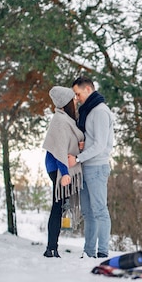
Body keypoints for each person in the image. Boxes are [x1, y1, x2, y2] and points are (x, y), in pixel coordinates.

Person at [68, 76, 115, 258]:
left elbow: (101, 145)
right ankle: (89, 253)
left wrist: (78, 158)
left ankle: (103, 252)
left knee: (100, 211)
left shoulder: (101, 111)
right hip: (86, 167)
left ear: (88, 89)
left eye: (78, 94)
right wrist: (84, 145)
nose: (77, 98)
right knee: (88, 213)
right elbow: (93, 141)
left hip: (97, 168)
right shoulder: (90, 111)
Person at [42, 86, 84, 258]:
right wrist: (65, 173)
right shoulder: (59, 120)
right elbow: (59, 148)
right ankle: (51, 248)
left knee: (59, 206)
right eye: (72, 98)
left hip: (62, 167)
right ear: (66, 102)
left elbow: (68, 142)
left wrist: (79, 146)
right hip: (58, 168)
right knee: (57, 206)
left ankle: (52, 247)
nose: (75, 101)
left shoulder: (66, 119)